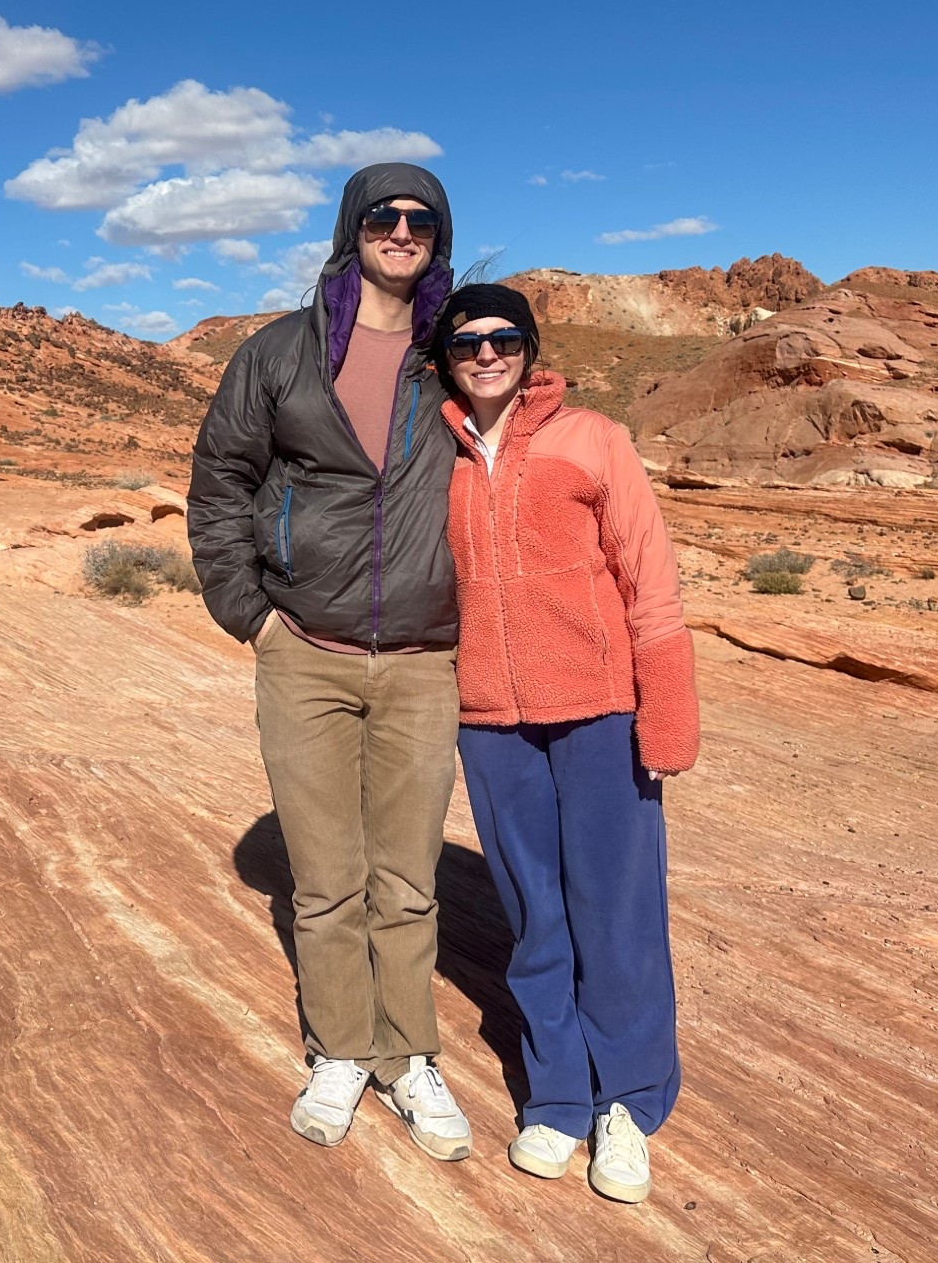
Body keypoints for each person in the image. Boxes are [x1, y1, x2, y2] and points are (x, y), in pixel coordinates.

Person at [189, 163, 471, 1160]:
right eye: (383, 217)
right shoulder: (281, 352)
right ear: (352, 229)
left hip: (422, 661)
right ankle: (340, 1049)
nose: (401, 231)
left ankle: (408, 1056)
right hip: (302, 651)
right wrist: (249, 616)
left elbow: (520, 434)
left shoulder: (454, 354)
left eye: (420, 220)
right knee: (323, 880)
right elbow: (219, 481)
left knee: (406, 879)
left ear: (437, 238)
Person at [430, 281, 700, 1203]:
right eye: (468, 342)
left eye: (505, 337)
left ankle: (626, 1101)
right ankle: (558, 1099)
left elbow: (647, 574)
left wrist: (665, 707)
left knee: (615, 913)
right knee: (534, 918)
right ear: (448, 358)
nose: (488, 353)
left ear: (530, 347)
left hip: (599, 711)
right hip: (492, 722)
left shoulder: (594, 439)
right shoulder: (445, 454)